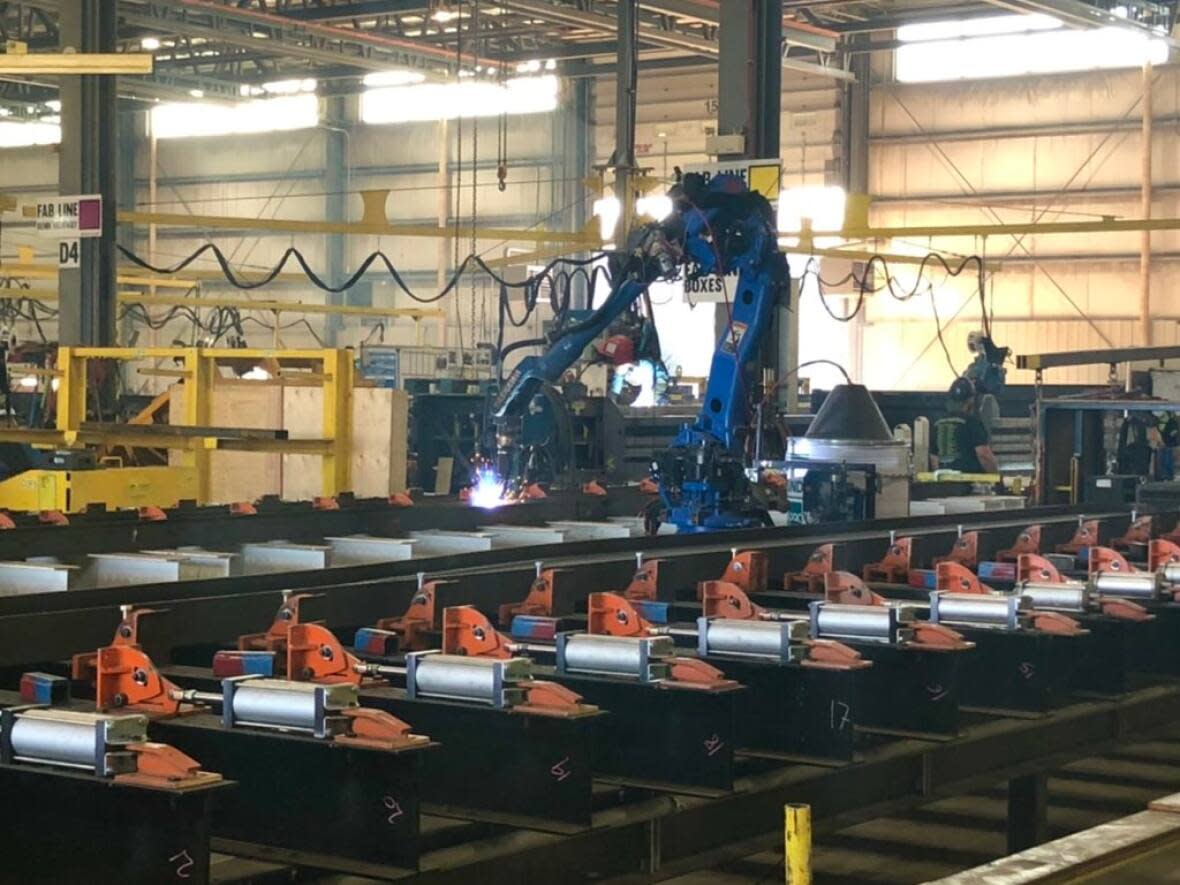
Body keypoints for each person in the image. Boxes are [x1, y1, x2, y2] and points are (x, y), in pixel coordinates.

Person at [933, 377, 999, 474]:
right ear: (970, 400)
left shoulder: (937, 423)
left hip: (942, 484)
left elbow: (934, 459)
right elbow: (984, 456)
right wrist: (997, 478)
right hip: (968, 485)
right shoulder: (972, 423)